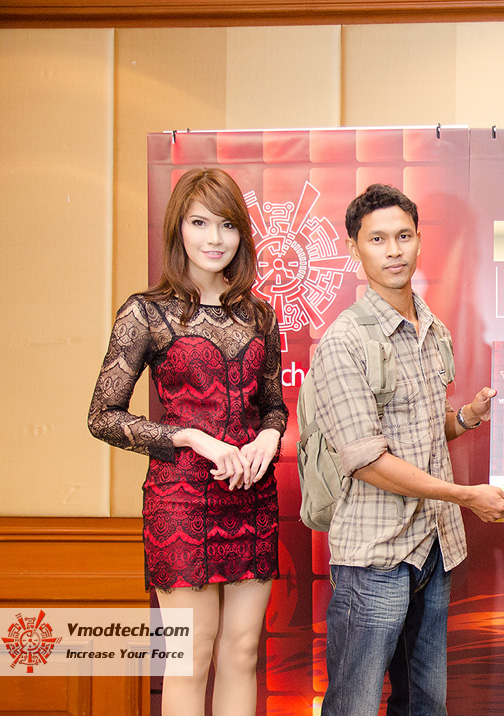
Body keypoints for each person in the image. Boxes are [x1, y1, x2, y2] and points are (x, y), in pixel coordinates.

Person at [311, 183, 504, 716]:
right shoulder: (343, 341)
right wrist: (466, 495)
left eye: (403, 236)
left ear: (419, 241)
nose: (394, 250)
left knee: (425, 705)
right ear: (354, 249)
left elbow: (424, 432)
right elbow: (367, 461)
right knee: (354, 705)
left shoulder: (433, 328)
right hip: (375, 557)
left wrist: (467, 417)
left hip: (434, 548)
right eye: (377, 239)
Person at [88, 168, 286, 716]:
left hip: (251, 497)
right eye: (200, 223)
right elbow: (102, 417)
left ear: (241, 233)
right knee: (190, 657)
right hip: (179, 501)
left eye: (227, 225)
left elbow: (273, 404)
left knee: (243, 652)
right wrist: (192, 437)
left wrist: (269, 438)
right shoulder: (145, 312)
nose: (214, 238)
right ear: (178, 228)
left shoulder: (259, 315)